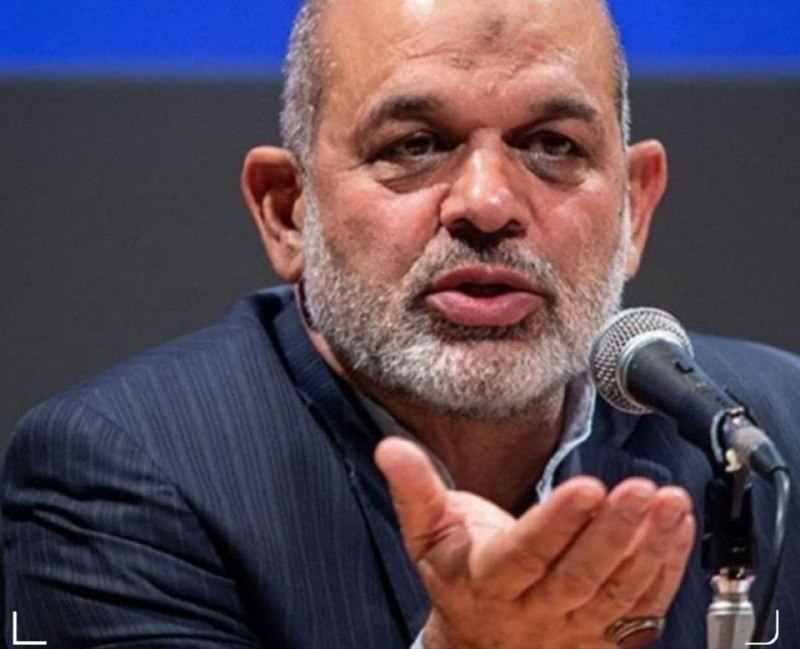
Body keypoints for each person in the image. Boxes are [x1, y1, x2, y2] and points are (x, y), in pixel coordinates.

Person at [3, 0, 800, 647]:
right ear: (288, 211)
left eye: (552, 144)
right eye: (416, 145)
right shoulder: (124, 477)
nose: (487, 203)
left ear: (634, 207)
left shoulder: (775, 434)